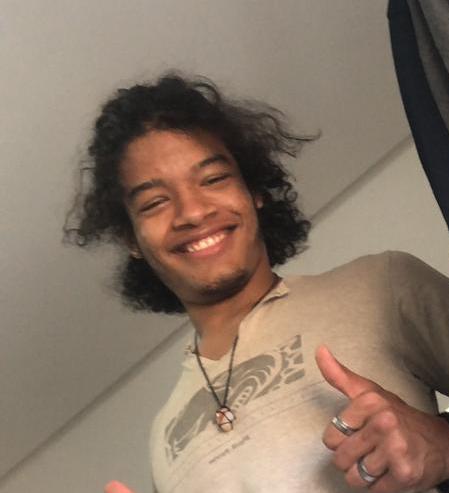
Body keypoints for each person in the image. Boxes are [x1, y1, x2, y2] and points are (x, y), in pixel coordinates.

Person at [67, 73, 449, 493]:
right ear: (131, 239)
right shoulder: (163, 437)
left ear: (254, 191)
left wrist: (442, 443)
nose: (192, 212)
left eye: (213, 179)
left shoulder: (381, 287)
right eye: (155, 202)